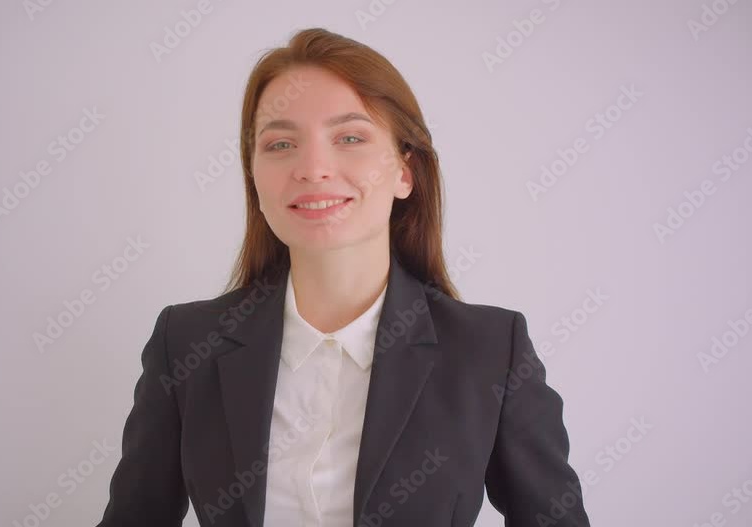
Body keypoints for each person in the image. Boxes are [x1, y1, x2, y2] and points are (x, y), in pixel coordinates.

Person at [97, 27, 590, 527]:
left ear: (405, 172)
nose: (313, 168)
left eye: (350, 138)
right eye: (281, 143)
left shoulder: (490, 350)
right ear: (254, 178)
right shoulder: (186, 344)